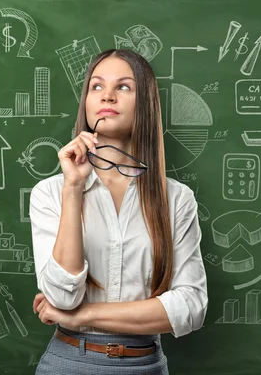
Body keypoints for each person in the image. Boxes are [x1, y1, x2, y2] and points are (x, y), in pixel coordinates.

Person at [29, 48, 208, 374]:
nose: (107, 95)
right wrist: (73, 189)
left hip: (147, 365)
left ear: (145, 104)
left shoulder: (177, 199)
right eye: (96, 86)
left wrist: (84, 316)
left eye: (123, 87)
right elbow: (62, 297)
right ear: (86, 102)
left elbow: (190, 307)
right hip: (68, 362)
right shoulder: (51, 193)